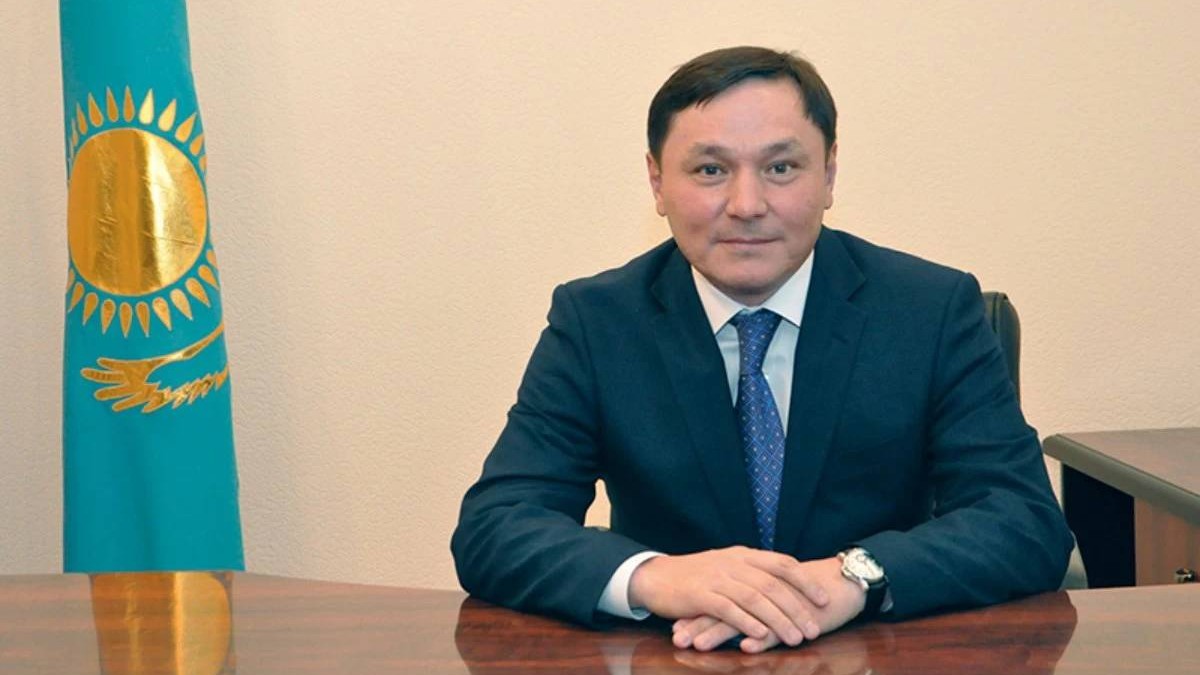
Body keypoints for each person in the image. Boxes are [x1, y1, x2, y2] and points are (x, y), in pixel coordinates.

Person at [451, 45, 1073, 654]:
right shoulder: (598, 321)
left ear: (829, 174)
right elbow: (496, 525)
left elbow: (1023, 519)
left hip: (875, 654)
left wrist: (854, 577)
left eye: (781, 168)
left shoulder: (930, 310)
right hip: (675, 654)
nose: (746, 206)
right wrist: (657, 577)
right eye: (710, 170)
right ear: (657, 182)